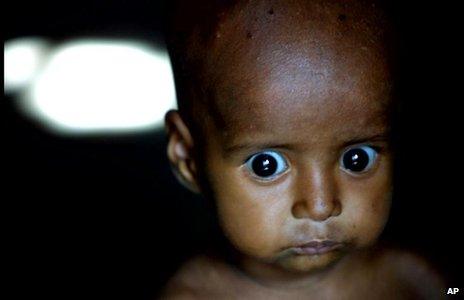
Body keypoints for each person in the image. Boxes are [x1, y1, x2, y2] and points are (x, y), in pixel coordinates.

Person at [161, 0, 445, 298]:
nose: (321, 206)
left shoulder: (414, 279)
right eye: (266, 165)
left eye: (357, 159)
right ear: (188, 158)